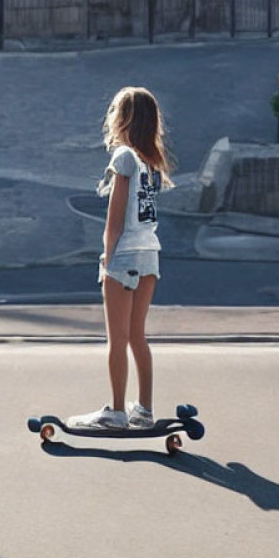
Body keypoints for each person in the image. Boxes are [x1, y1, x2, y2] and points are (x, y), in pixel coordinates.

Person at [69, 87, 174, 430]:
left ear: (125, 119)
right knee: (137, 336)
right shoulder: (149, 161)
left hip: (125, 255)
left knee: (116, 339)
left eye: (115, 111)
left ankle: (115, 411)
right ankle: (143, 409)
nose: (111, 117)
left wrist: (106, 260)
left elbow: (113, 223)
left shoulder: (124, 158)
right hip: (150, 254)